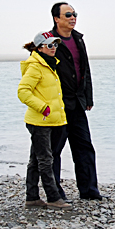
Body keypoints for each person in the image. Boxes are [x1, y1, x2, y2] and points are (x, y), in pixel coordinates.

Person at [49, 2, 102, 200]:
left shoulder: (78, 39)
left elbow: (85, 70)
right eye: (68, 14)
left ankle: (89, 191)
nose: (73, 18)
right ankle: (55, 193)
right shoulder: (48, 41)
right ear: (57, 18)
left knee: (84, 147)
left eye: (75, 14)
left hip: (78, 103)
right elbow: (39, 72)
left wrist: (88, 97)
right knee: (54, 150)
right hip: (58, 105)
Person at [17, 31, 72, 210]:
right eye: (50, 45)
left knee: (36, 159)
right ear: (39, 48)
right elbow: (23, 91)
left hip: (50, 121)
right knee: (45, 160)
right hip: (39, 122)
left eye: (55, 44)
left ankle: (32, 197)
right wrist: (42, 107)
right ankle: (53, 197)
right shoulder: (35, 66)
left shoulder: (50, 65)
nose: (54, 48)